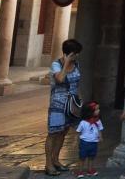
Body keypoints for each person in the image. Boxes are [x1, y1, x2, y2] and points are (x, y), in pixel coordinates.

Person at [45, 38, 83, 176]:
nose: (77, 56)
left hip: (71, 104)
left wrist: (80, 100)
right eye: (75, 53)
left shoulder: (76, 64)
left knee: (63, 132)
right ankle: (48, 164)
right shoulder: (56, 64)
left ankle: (56, 160)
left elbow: (77, 83)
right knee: (53, 133)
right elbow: (60, 79)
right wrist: (66, 63)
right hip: (58, 104)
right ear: (69, 53)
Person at [75, 101, 103, 178]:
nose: (99, 110)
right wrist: (76, 141)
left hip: (94, 142)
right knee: (82, 157)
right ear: (90, 112)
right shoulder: (83, 122)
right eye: (96, 109)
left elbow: (99, 129)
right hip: (84, 143)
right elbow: (78, 132)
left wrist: (100, 137)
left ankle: (90, 170)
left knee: (91, 157)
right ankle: (80, 171)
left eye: (98, 109)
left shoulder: (98, 121)